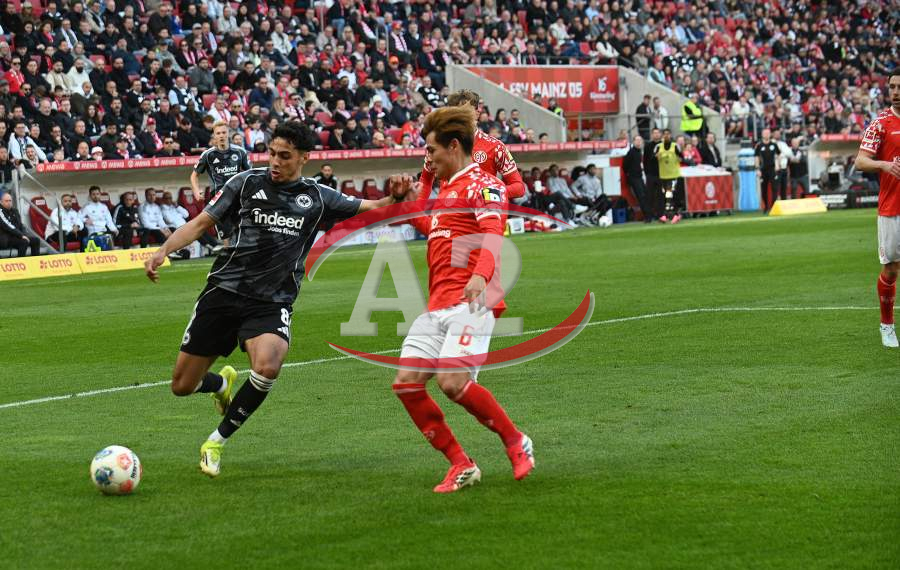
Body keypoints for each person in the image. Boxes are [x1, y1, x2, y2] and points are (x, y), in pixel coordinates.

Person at [143, 121, 411, 477]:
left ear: (303, 158)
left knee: (268, 365)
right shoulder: (245, 183)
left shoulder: (318, 197)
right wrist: (163, 251)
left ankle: (215, 442)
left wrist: (395, 197)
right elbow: (200, 223)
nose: (275, 161)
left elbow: (374, 207)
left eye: (284, 156)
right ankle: (220, 384)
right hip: (223, 293)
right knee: (182, 386)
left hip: (271, 301)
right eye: (271, 153)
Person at [391, 105, 534, 493]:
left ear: (453, 146)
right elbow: (433, 229)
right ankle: (461, 464)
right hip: (437, 304)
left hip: (472, 301)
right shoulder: (448, 190)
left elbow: (493, 235)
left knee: (452, 382)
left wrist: (480, 275)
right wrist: (405, 204)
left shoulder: (485, 186)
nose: (428, 159)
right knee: (406, 384)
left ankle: (515, 440)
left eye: (431, 150)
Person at [854, 72, 900, 348]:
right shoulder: (880, 123)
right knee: (891, 269)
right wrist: (884, 164)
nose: (895, 92)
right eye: (892, 87)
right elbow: (860, 161)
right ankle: (887, 326)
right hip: (893, 208)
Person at [419, 90, 525, 199]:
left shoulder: (495, 146)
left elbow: (519, 187)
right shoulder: (439, 144)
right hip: (447, 208)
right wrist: (417, 208)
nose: (460, 118)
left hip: (480, 209)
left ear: (477, 113)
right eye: (455, 113)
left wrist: (488, 194)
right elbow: (425, 181)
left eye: (465, 112)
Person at [191, 121, 252, 240]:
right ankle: (227, 250)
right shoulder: (208, 155)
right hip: (218, 198)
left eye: (224, 132)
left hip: (237, 196)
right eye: (218, 133)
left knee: (241, 231)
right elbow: (194, 175)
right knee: (225, 235)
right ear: (214, 135)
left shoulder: (240, 152)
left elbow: (251, 174)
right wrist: (196, 191)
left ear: (228, 133)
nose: (221, 135)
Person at [0, 191, 40, 256]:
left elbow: (20, 225)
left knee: (36, 240)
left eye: (10, 201)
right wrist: (21, 235)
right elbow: (8, 226)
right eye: (6, 201)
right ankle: (21, 261)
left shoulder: (15, 211)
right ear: (1, 202)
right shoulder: (0, 211)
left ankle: (35, 261)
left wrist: (25, 235)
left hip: (16, 236)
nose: (9, 203)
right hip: (5, 239)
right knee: (24, 242)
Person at [656, 129, 682, 224]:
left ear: (670, 135)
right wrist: (658, 156)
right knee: (665, 196)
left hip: (673, 174)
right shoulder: (659, 147)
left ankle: (673, 215)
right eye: (665, 134)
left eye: (668, 134)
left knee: (670, 194)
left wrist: (678, 159)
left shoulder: (675, 146)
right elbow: (654, 157)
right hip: (663, 175)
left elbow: (681, 157)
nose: (666, 136)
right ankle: (669, 215)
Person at [623, 135, 652, 222]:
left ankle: (648, 214)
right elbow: (625, 165)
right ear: (633, 142)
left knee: (644, 196)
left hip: (639, 177)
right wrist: (630, 174)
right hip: (634, 177)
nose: (639, 142)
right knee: (641, 197)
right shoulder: (631, 152)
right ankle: (647, 216)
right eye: (637, 140)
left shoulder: (638, 152)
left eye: (640, 141)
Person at [755, 128, 780, 212]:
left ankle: (773, 206)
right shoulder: (759, 145)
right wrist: (757, 169)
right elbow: (756, 158)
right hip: (763, 169)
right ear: (762, 135)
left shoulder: (774, 145)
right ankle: (765, 206)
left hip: (772, 169)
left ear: (770, 134)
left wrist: (777, 165)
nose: (766, 135)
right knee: (764, 189)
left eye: (768, 133)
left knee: (775, 188)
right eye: (765, 133)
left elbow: (778, 155)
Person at [644, 128, 662, 222]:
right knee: (649, 196)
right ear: (652, 135)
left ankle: (661, 215)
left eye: (657, 133)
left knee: (660, 196)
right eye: (654, 133)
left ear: (660, 134)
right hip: (651, 174)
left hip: (661, 174)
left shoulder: (663, 145)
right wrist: (647, 173)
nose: (656, 135)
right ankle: (648, 216)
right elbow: (645, 160)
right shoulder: (648, 146)